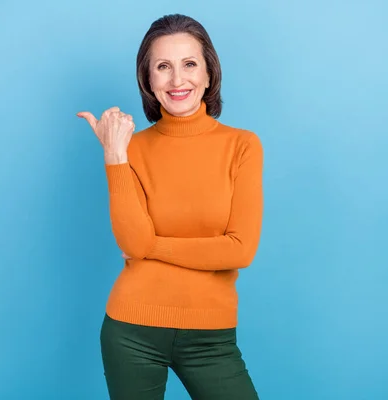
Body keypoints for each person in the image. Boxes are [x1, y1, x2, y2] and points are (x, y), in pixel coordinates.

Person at [77, 13, 263, 400]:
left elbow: (240, 249)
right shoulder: (132, 148)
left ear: (210, 74)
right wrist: (114, 154)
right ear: (148, 80)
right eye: (163, 67)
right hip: (131, 330)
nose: (178, 81)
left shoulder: (242, 146)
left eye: (189, 64)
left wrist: (153, 246)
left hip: (211, 337)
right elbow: (131, 237)